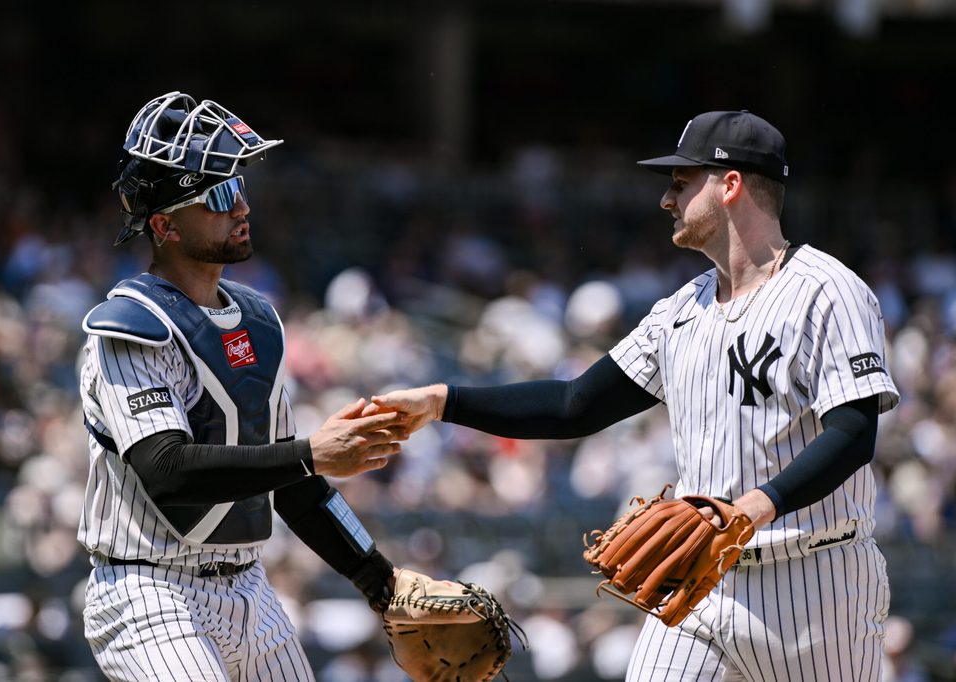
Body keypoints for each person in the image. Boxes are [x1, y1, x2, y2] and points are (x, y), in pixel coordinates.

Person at [369, 110, 900, 681]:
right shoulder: (679, 312)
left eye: (679, 183)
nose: (666, 201)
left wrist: (749, 510)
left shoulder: (828, 290)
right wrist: (445, 401)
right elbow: (577, 404)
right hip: (701, 581)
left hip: (817, 584)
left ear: (730, 184)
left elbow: (853, 433)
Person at [77, 91, 406, 681]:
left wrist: (383, 583)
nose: (241, 207)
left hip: (249, 588)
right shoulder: (129, 326)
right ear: (165, 225)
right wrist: (311, 454)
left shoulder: (257, 318)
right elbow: (167, 471)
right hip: (150, 594)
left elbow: (293, 484)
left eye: (240, 188)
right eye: (220, 194)